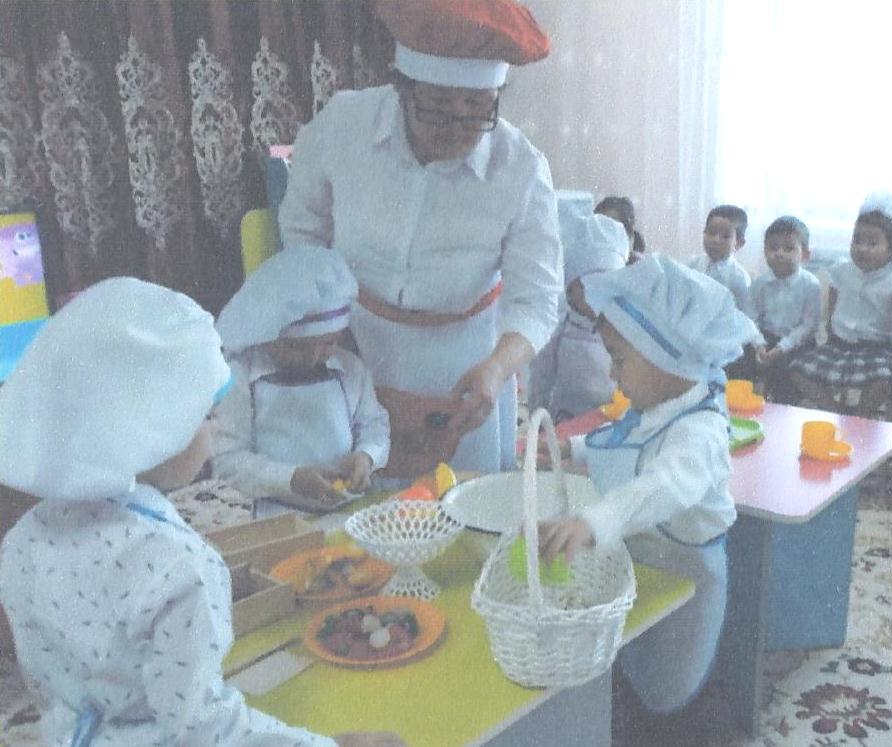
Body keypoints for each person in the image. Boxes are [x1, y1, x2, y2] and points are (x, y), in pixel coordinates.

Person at [0, 277, 402, 747]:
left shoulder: (21, 539)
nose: (215, 431)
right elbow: (204, 730)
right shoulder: (179, 568)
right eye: (209, 415)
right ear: (154, 429)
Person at [279, 0, 561, 483]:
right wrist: (324, 321)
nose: (456, 127)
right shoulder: (343, 127)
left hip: (465, 369)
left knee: (460, 505)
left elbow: (537, 301)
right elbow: (303, 226)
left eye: (476, 108)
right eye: (438, 107)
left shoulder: (521, 169)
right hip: (354, 344)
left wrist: (498, 368)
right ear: (402, 88)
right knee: (355, 492)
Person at [537, 254, 758, 729]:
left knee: (673, 688)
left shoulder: (699, 433)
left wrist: (593, 521)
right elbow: (621, 439)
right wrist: (570, 448)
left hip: (689, 576)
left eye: (619, 360)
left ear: (666, 358)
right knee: (637, 660)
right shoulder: (657, 404)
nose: (612, 375)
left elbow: (662, 486)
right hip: (646, 564)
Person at [212, 246, 390, 518]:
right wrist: (290, 479)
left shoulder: (351, 370)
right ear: (265, 335)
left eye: (329, 343)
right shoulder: (241, 376)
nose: (314, 357)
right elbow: (228, 460)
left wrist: (367, 456)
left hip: (352, 514)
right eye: (297, 347)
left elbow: (374, 425)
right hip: (278, 518)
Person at [789, 193, 892, 415]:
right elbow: (833, 294)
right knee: (797, 371)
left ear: (891, 249)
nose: (862, 248)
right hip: (838, 345)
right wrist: (831, 328)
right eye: (857, 240)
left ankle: (861, 416)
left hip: (877, 350)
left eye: (872, 243)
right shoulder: (842, 270)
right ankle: (837, 413)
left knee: (885, 380)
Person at [528, 191, 630, 421]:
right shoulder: (560, 324)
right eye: (587, 289)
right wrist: (538, 414)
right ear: (571, 289)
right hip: (565, 417)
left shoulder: (624, 324)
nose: (597, 298)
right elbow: (541, 374)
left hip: (612, 417)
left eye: (606, 288)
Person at [747, 216, 822, 403]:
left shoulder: (811, 285)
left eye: (788, 248)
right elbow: (751, 319)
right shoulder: (759, 283)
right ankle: (747, 405)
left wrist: (781, 348)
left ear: (805, 255)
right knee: (738, 358)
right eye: (773, 248)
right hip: (765, 338)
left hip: (798, 343)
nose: (779, 253)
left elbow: (808, 327)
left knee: (787, 371)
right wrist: (759, 345)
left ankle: (782, 410)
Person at [686, 204, 752, 314]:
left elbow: (745, 315)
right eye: (711, 233)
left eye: (725, 236)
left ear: (739, 243)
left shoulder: (739, 279)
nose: (715, 240)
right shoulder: (691, 264)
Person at [595, 195, 646, 264]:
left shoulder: (641, 267)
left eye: (611, 228)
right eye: (601, 226)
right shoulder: (586, 263)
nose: (605, 235)